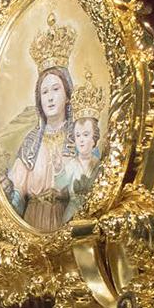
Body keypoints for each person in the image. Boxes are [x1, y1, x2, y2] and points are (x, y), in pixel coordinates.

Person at [2, 13, 77, 232]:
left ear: (67, 94)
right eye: (44, 92)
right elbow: (18, 195)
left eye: (56, 89)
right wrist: (8, 192)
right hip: (33, 222)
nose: (50, 97)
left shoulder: (79, 136)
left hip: (68, 223)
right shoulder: (31, 142)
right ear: (39, 99)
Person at [61, 73, 104, 223]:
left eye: (86, 135)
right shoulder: (69, 166)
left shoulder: (101, 166)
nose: (81, 140)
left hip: (96, 218)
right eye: (78, 135)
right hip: (70, 219)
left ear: (94, 139)